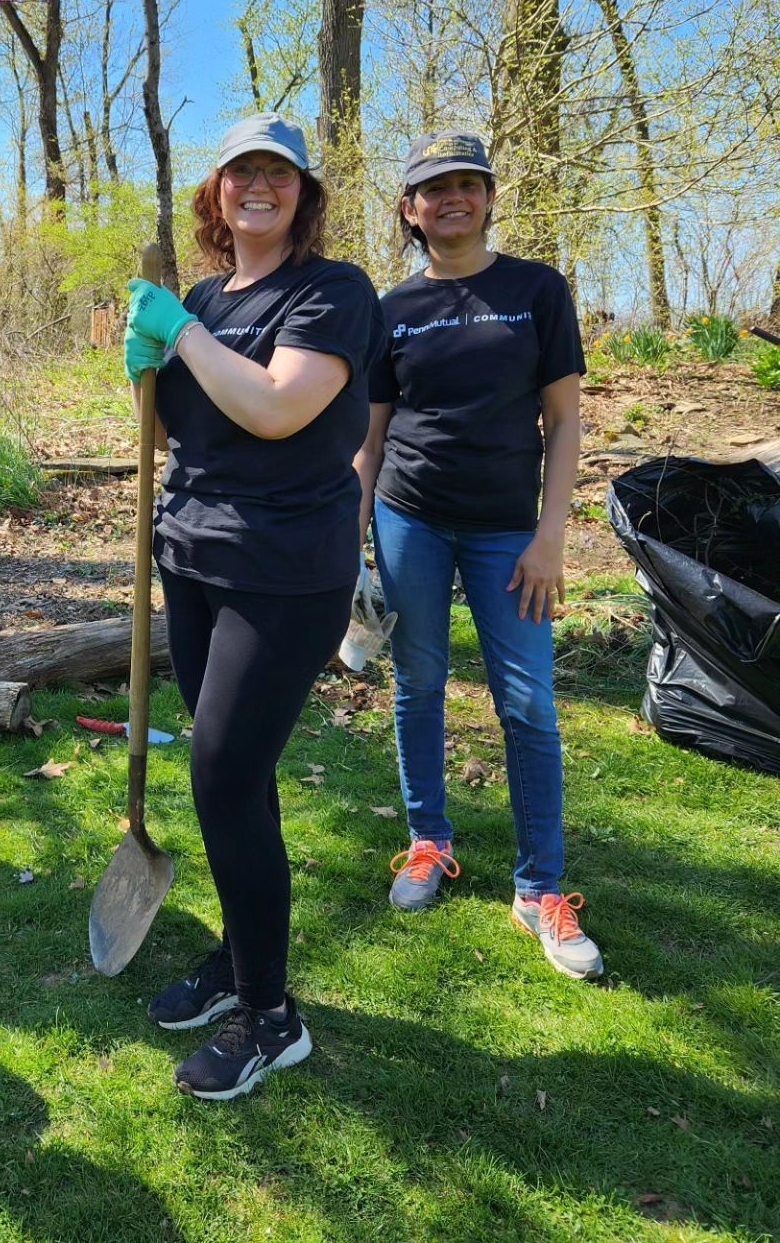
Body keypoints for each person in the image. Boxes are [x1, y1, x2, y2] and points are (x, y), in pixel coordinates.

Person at [124, 113, 383, 1100]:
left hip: (285, 571)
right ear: (217, 192)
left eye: (279, 172)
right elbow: (178, 428)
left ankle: (271, 1017)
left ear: (304, 194)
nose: (258, 186)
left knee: (224, 776)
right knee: (239, 775)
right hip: (191, 559)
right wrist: (146, 362)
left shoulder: (334, 291)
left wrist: (182, 335)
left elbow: (276, 405)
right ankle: (240, 957)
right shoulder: (197, 294)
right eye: (242, 172)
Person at [353, 130, 603, 981]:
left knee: (528, 703)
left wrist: (550, 536)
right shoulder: (390, 310)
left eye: (468, 184)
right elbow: (373, 437)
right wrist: (355, 532)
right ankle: (429, 842)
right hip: (408, 521)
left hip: (508, 534)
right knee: (416, 683)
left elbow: (565, 422)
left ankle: (541, 889)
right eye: (434, 188)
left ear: (491, 197)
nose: (452, 198)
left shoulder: (536, 289)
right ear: (410, 208)